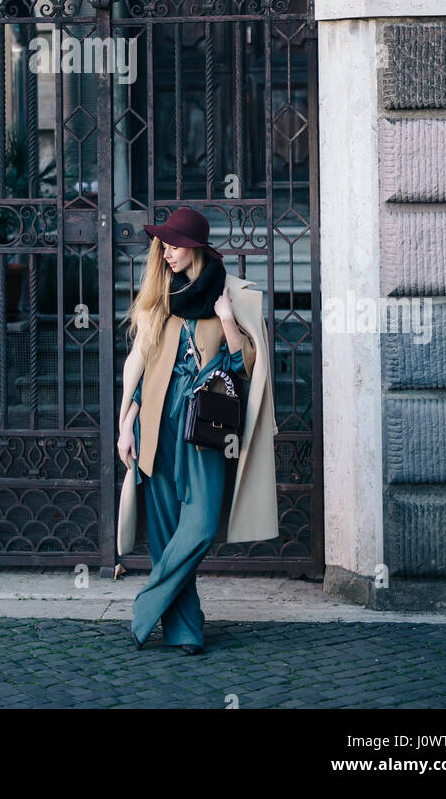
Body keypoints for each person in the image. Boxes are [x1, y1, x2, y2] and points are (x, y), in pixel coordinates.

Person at [116, 206, 278, 655]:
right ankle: (186, 629)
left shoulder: (231, 294)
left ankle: (148, 601)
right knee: (166, 529)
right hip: (157, 420)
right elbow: (141, 364)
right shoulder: (160, 296)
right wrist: (126, 424)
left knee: (202, 523)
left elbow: (246, 365)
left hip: (206, 422)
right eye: (163, 245)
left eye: (174, 245)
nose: (166, 253)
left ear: (195, 248)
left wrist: (226, 317)